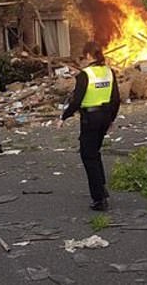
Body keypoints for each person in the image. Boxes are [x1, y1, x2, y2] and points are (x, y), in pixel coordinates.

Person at [58, 41, 120, 211]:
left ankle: (99, 198)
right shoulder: (109, 72)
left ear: (89, 56)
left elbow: (76, 100)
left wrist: (64, 117)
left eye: (85, 55)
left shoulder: (85, 75)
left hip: (90, 119)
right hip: (105, 116)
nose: (83, 59)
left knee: (88, 156)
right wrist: (111, 120)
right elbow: (116, 99)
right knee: (95, 153)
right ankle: (102, 187)